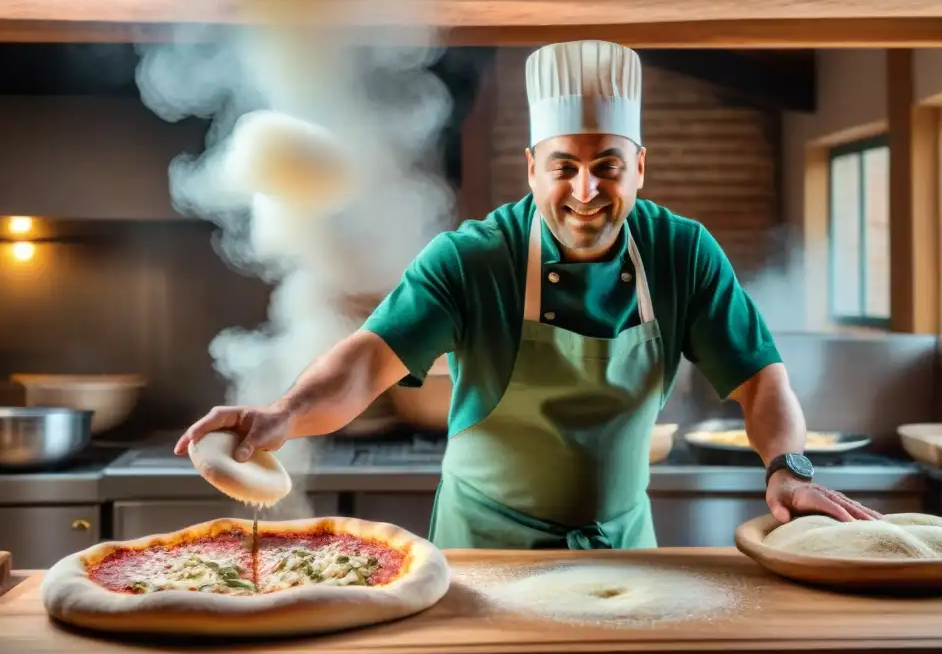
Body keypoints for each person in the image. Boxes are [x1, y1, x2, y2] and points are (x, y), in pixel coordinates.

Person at [175, 39, 879, 549]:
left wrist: (789, 468)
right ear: (532, 168)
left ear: (639, 166)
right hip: (485, 550)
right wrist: (285, 412)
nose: (585, 191)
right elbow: (366, 362)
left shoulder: (682, 253)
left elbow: (761, 380)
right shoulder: (475, 259)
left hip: (622, 547)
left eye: (607, 165)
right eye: (563, 166)